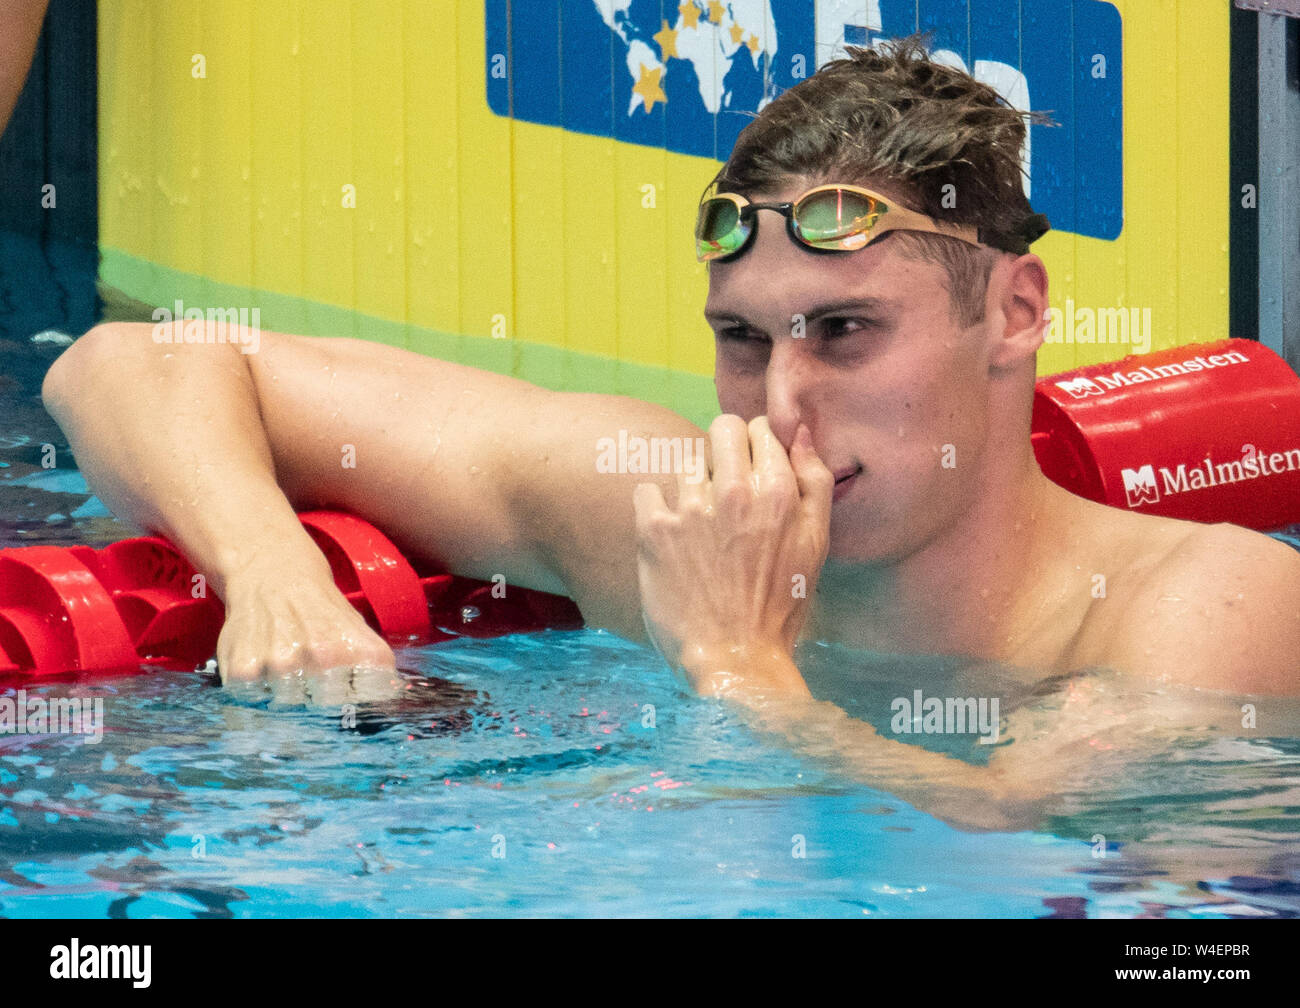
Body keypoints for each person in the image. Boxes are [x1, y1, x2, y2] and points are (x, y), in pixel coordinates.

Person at [41, 38, 1300, 830]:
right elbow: (129, 363)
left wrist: (740, 672)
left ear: (1013, 312)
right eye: (743, 340)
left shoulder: (1195, 606)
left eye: (845, 331)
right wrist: (269, 574)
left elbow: (1009, 843)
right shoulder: (650, 514)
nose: (780, 403)